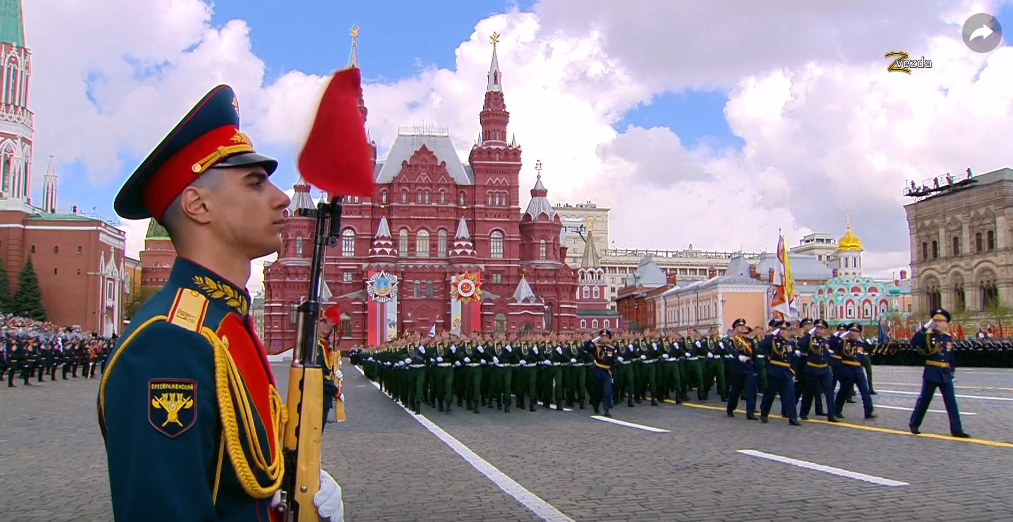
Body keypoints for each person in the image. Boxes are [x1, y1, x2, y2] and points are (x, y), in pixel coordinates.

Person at [96, 84, 344, 522]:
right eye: (255, 182)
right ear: (198, 204)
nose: (282, 197)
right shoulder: (171, 344)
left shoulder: (223, 323)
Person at [909, 309, 970, 438]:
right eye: (935, 320)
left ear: (946, 323)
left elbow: (950, 355)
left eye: (940, 321)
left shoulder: (948, 337)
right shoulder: (928, 335)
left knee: (951, 402)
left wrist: (952, 370)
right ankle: (914, 424)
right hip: (932, 371)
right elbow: (914, 342)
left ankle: (956, 429)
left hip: (945, 372)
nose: (937, 323)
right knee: (924, 400)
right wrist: (925, 327)